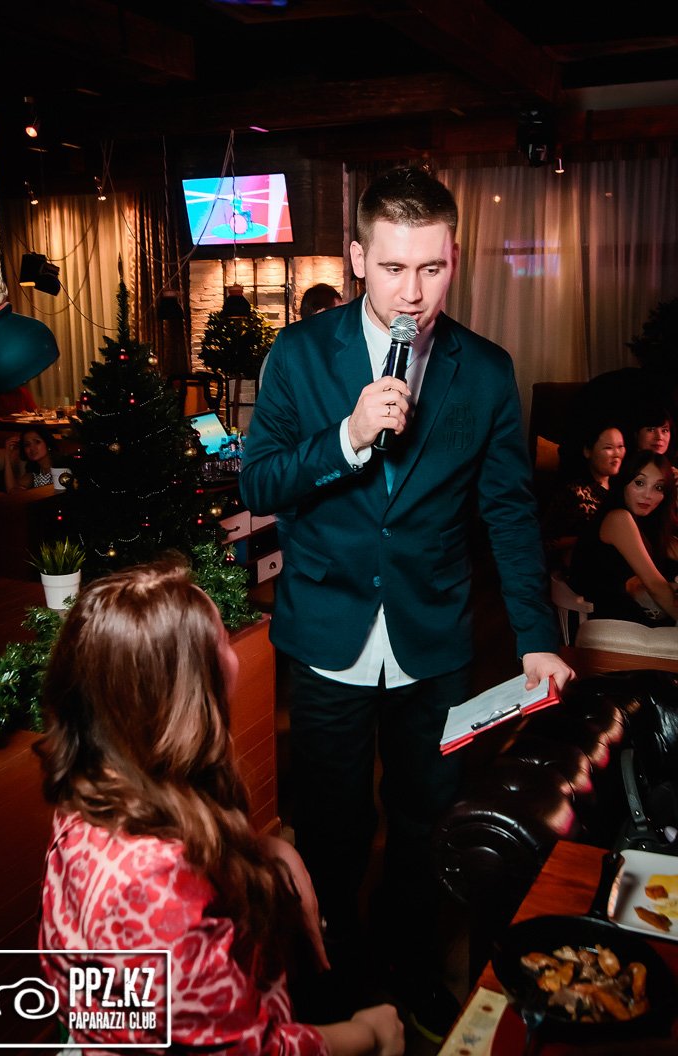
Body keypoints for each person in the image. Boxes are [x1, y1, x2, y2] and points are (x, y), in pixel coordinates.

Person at [240, 166, 573, 1035]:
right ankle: (336, 977)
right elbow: (260, 480)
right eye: (392, 268)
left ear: (454, 258)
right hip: (326, 635)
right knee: (332, 827)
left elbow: (508, 512)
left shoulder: (485, 371)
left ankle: (412, 968)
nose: (413, 294)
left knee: (428, 822)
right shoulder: (299, 355)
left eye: (432, 268)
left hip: (436, 640)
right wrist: (348, 436)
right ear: (357, 258)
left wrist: (535, 635)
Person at [35, 559, 404, 1056]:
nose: (234, 656)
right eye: (223, 642)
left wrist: (266, 848)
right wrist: (369, 1033)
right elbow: (249, 1052)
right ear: (185, 691)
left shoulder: (98, 780)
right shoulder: (152, 883)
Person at [569, 450, 678, 626]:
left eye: (658, 487)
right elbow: (655, 585)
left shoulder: (647, 522)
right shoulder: (619, 518)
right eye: (639, 483)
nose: (648, 495)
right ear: (623, 482)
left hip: (622, 615)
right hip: (604, 622)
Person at [541, 423, 625, 569]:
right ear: (588, 451)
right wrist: (589, 538)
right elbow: (546, 541)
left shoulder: (624, 488)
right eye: (608, 448)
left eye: (620, 446)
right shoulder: (574, 492)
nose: (617, 453)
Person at [4, 424, 55, 492]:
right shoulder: (34, 470)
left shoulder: (61, 466)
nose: (32, 448)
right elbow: (12, 492)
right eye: (27, 444)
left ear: (47, 443)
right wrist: (7, 455)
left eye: (37, 442)